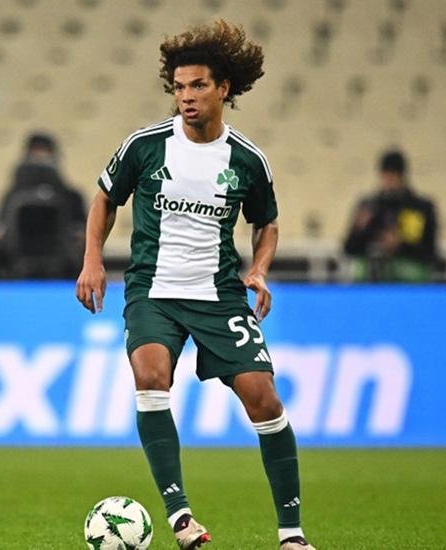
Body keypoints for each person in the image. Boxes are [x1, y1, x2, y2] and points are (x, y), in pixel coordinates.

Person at [75, 19, 315, 550]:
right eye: (179, 87)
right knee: (150, 374)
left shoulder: (247, 160)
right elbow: (104, 200)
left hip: (219, 294)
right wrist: (92, 261)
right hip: (153, 289)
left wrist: (259, 269)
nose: (186, 96)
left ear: (223, 88)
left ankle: (292, 534)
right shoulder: (145, 146)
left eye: (198, 85)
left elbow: (267, 223)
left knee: (264, 400)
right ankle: (180, 516)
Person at [0, 132, 86, 279]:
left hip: (63, 266)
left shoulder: (71, 197)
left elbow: (84, 231)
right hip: (15, 263)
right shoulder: (12, 196)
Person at [342, 149, 439, 282]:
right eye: (385, 175)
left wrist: (400, 244)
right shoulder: (370, 206)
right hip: (371, 273)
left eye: (393, 175)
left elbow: (429, 252)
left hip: (408, 275)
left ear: (402, 176)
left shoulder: (418, 208)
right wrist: (359, 230)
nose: (388, 180)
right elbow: (349, 249)